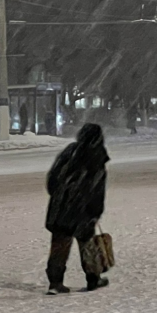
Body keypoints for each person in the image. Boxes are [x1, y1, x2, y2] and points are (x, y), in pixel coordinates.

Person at [44, 123, 111, 294]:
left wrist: (60, 196)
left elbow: (52, 178)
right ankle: (93, 279)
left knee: (59, 245)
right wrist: (95, 212)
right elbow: (97, 189)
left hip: (61, 208)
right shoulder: (97, 156)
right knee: (87, 244)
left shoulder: (70, 152)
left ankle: (55, 282)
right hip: (83, 210)